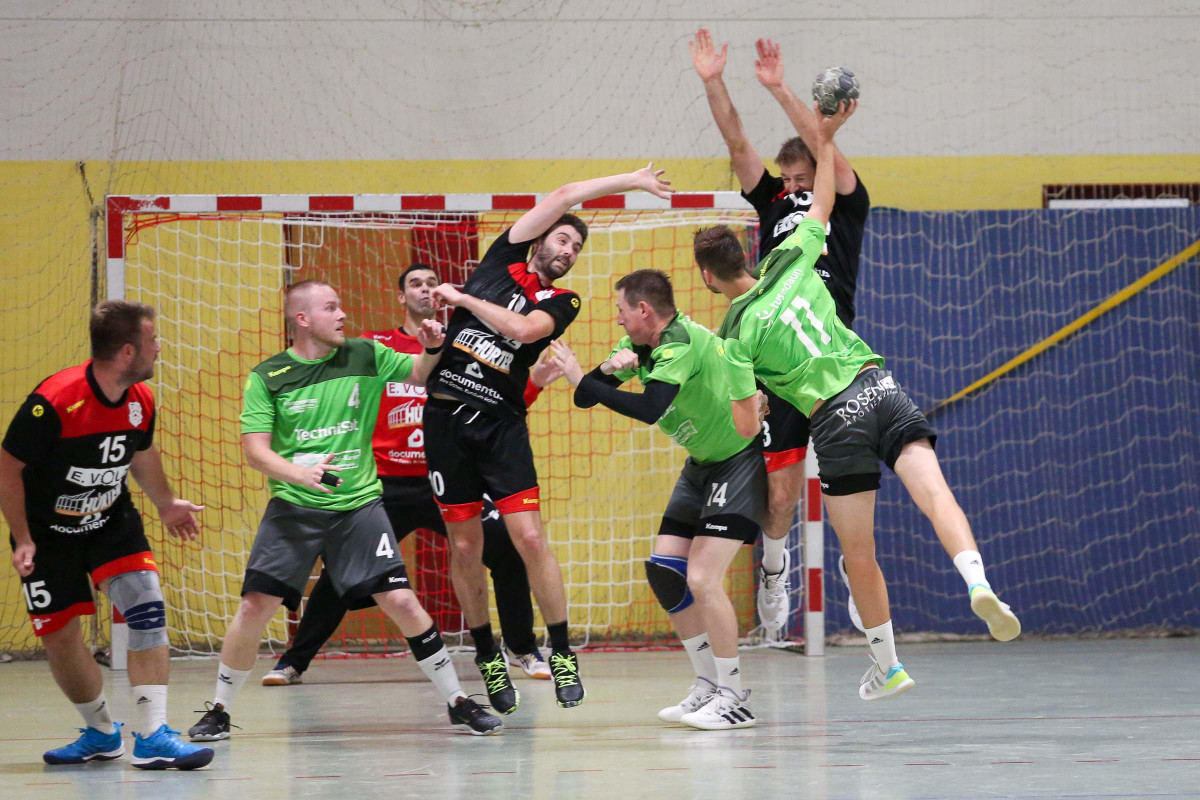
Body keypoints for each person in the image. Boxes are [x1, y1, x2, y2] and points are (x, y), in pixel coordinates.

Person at [696, 100, 1021, 702]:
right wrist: (828, 135)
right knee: (936, 496)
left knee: (859, 554)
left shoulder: (733, 337)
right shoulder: (795, 260)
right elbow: (823, 199)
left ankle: (888, 665)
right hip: (881, 387)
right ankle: (978, 581)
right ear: (750, 255)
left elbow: (742, 422)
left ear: (710, 278)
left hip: (834, 418)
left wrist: (748, 413)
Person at [188, 280, 502, 740]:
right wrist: (299, 474)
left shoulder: (363, 354)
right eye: (331, 307)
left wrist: (434, 347)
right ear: (302, 319)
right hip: (294, 507)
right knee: (255, 605)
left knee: (401, 601)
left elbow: (418, 374)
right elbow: (256, 450)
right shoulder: (268, 376)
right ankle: (218, 710)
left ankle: (458, 701)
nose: (342, 315)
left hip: (358, 506)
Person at [424, 165, 674, 712]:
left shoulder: (565, 301)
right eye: (563, 239)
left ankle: (560, 651)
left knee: (531, 540)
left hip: (501, 426)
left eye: (577, 248)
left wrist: (463, 300)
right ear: (539, 239)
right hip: (444, 421)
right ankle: (488, 658)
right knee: (464, 547)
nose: (569, 251)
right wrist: (632, 179)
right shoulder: (500, 260)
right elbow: (564, 194)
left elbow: (522, 331)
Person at [260, 263, 563, 689]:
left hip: (448, 480)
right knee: (341, 570)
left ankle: (522, 647)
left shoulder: (464, 342)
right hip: (386, 483)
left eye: (432, 283)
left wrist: (535, 383)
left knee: (508, 551)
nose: (425, 289)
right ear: (401, 296)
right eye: (415, 284)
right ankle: (294, 661)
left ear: (443, 294)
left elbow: (495, 405)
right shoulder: (375, 347)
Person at [690, 29, 872, 638]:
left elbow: (826, 148)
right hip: (778, 361)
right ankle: (774, 566)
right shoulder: (773, 203)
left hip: (832, 358)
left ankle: (859, 574)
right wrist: (715, 80)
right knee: (779, 494)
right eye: (786, 178)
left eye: (801, 177)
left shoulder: (844, 202)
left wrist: (780, 89)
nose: (791, 186)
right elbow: (736, 141)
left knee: (852, 482)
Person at [546, 270, 766, 730]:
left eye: (621, 310)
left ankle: (734, 697)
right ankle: (707, 684)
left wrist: (580, 377)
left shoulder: (679, 343)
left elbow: (649, 410)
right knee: (666, 572)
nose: (617, 319)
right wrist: (607, 370)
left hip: (736, 462)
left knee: (702, 579)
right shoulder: (641, 345)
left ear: (644, 310)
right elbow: (586, 398)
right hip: (701, 465)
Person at [0, 300, 214, 769]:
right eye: (152, 340)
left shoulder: (141, 399)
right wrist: (24, 537)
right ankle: (99, 732)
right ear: (126, 351)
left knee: (147, 606)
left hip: (111, 523)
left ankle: (153, 734)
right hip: (47, 534)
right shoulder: (55, 401)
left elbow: (141, 452)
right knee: (60, 637)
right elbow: (7, 468)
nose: (159, 348)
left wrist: (166, 503)